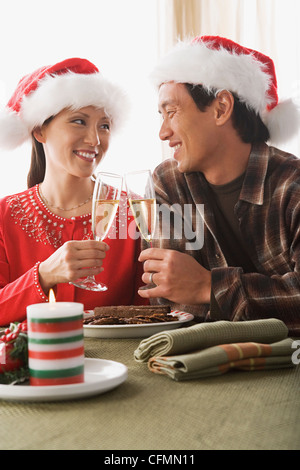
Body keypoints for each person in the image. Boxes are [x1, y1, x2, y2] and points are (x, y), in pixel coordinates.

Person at [138, 36, 300, 336]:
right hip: (198, 364)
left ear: (221, 108)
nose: (162, 132)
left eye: (171, 111)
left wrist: (207, 287)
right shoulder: (167, 184)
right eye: (160, 116)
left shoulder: (293, 186)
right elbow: (165, 299)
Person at [0, 57, 147, 326]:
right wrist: (43, 275)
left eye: (104, 125)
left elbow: (151, 315)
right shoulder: (4, 216)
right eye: (79, 121)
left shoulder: (134, 212)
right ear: (39, 130)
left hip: (116, 366)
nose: (95, 140)